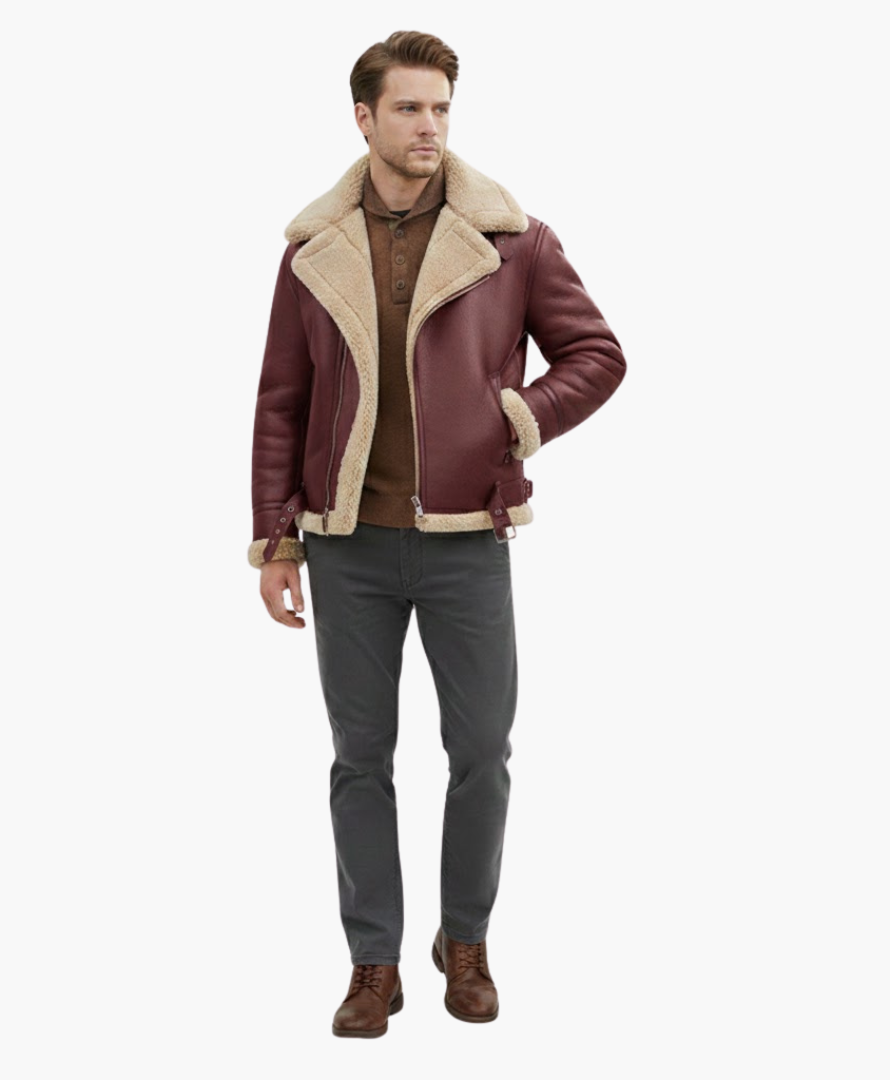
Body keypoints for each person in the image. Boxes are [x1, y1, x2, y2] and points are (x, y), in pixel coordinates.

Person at [249, 30, 627, 1037]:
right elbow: (281, 399)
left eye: (442, 108)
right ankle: (373, 963)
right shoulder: (312, 252)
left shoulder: (515, 241)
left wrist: (521, 416)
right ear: (364, 118)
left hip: (468, 539)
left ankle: (465, 942)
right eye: (410, 108)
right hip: (347, 546)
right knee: (359, 758)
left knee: (482, 753)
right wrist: (276, 541)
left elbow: (597, 354)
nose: (430, 126)